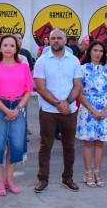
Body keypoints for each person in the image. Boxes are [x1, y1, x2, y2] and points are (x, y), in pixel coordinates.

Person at [33, 28, 82, 193]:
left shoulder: (74, 61)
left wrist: (67, 103)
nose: (56, 41)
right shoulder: (42, 61)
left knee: (69, 146)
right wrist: (58, 104)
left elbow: (77, 86)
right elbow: (40, 87)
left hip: (70, 110)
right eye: (53, 38)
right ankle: (43, 179)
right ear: (48, 40)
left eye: (59, 38)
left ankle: (68, 178)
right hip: (48, 110)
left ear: (65, 40)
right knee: (45, 145)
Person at [0, 35, 33, 195]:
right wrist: (6, 111)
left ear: (16, 48)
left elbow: (28, 91)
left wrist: (17, 109)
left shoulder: (24, 67)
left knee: (16, 145)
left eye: (12, 45)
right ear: (0, 47)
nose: (8, 48)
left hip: (19, 107)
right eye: (5, 45)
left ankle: (9, 180)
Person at [76, 40, 107, 187]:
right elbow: (79, 93)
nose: (98, 53)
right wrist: (92, 110)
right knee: (87, 144)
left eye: (100, 51)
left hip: (104, 111)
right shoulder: (82, 69)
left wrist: (106, 109)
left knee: (100, 144)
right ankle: (88, 173)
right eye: (95, 50)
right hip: (87, 112)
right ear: (89, 52)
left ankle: (98, 172)